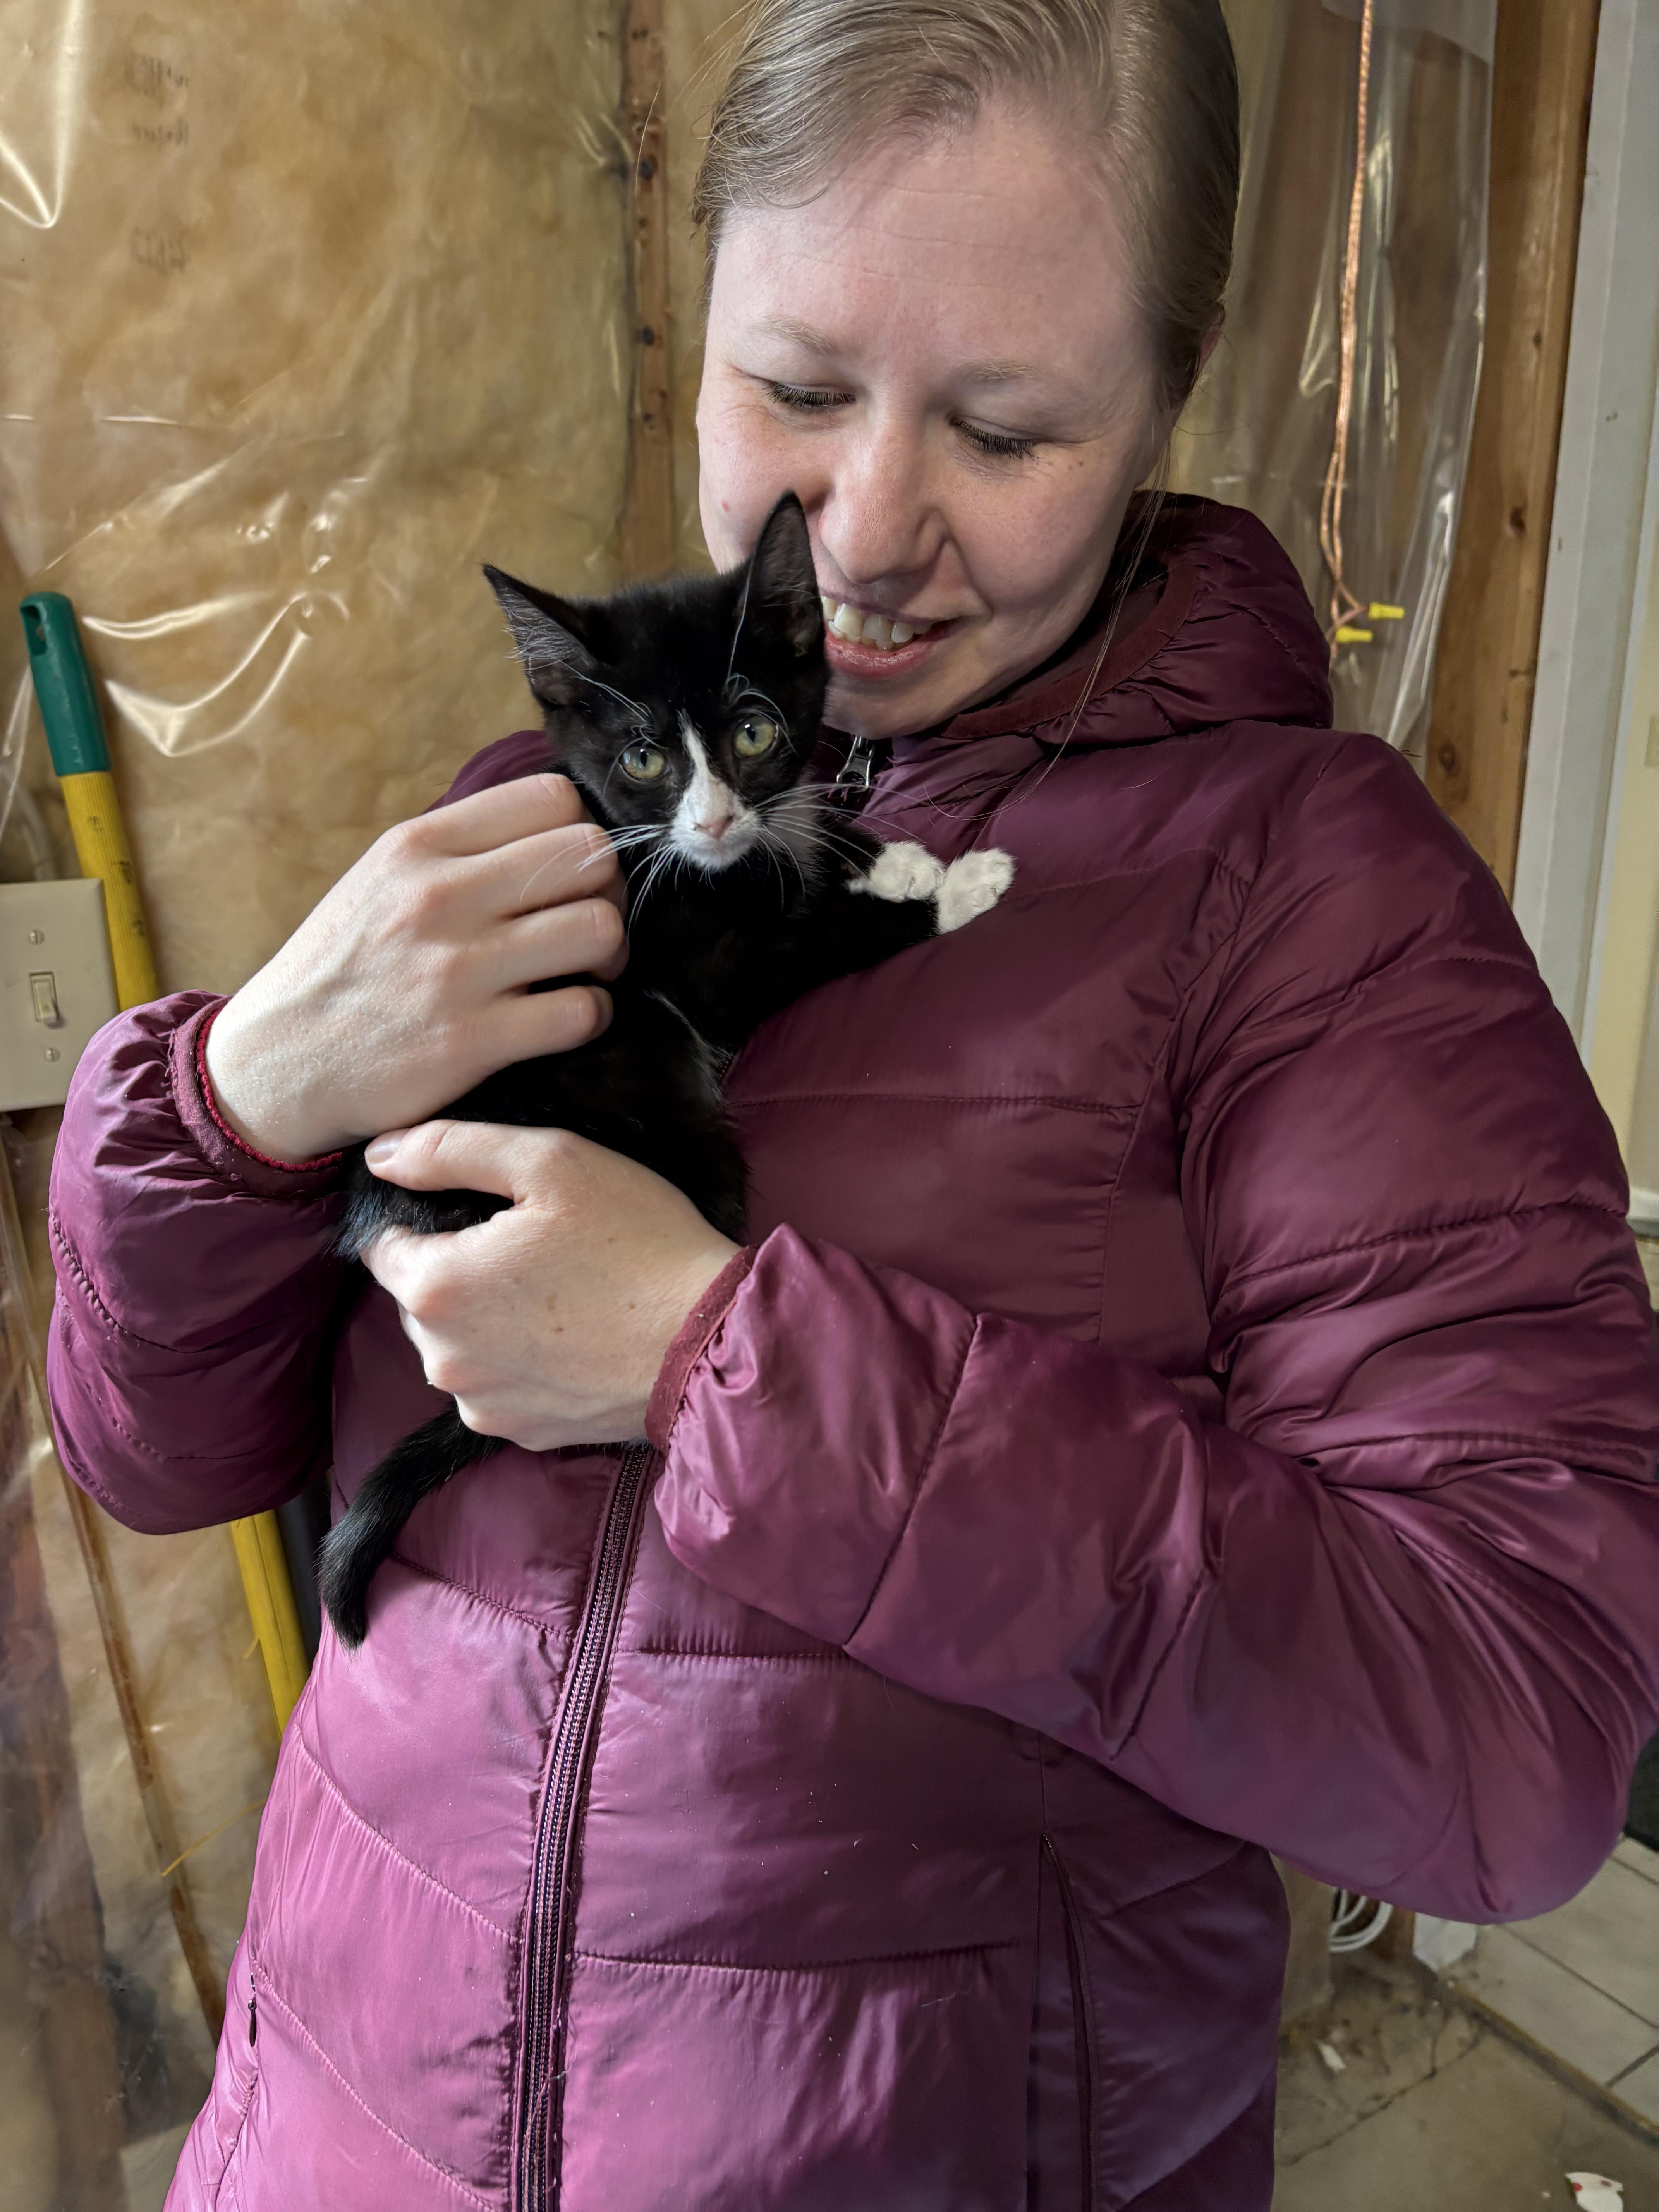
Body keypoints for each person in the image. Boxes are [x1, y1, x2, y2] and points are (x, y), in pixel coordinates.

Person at [46, 2, 1659, 2206]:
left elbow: (1515, 1740)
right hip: (337, 2129)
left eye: (1003, 427)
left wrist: (729, 1374)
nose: (870, 529)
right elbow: (153, 1455)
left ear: (1167, 395)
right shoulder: (536, 821)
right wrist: (233, 1103)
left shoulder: (1314, 902)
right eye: (797, 391)